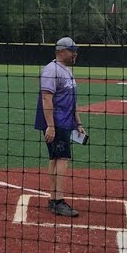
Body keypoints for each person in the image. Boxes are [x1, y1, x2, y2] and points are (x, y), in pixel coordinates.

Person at [33, 37, 86, 217]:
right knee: (61, 158)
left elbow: (72, 100)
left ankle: (54, 198)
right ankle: (58, 201)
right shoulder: (51, 70)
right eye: (72, 51)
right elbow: (46, 99)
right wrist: (51, 126)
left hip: (65, 121)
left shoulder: (66, 70)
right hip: (56, 121)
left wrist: (78, 123)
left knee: (56, 158)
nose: (75, 54)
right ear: (61, 51)